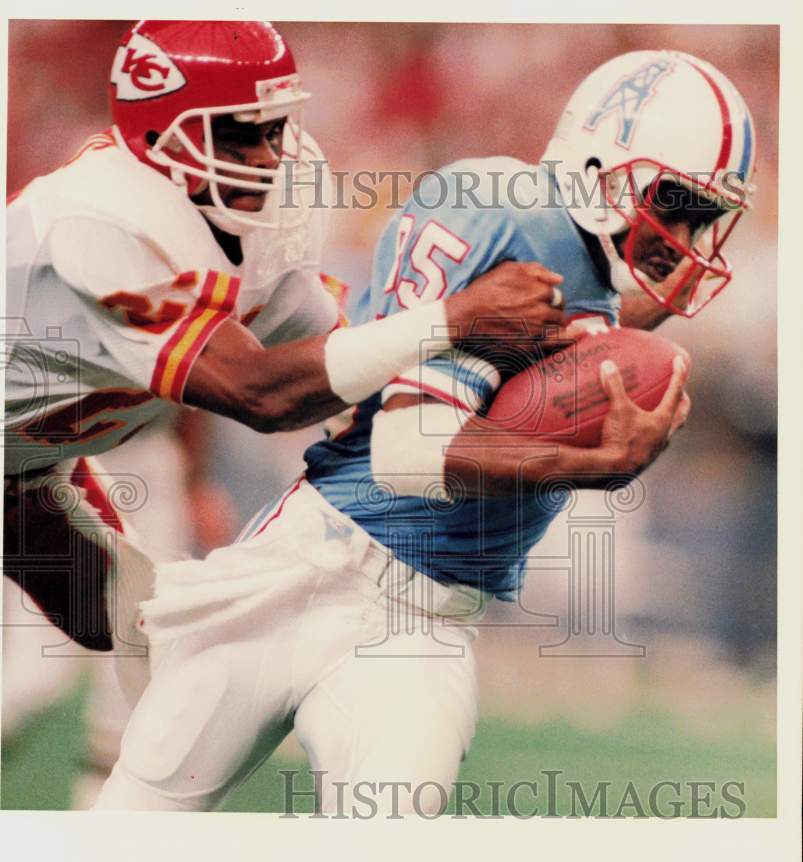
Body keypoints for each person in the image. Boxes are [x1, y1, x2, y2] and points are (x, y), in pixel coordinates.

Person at [93, 49, 755, 814]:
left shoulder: (581, 261)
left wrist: (641, 347)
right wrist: (587, 461)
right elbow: (404, 455)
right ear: (599, 158)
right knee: (133, 830)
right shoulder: (503, 212)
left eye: (701, 214)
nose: (683, 231)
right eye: (673, 200)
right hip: (309, 572)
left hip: (425, 621)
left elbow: (583, 319)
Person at [3, 20, 569, 713]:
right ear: (156, 133)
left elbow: (338, 355)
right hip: (27, 452)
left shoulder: (268, 200)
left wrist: (529, 353)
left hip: (24, 466)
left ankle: (131, 809)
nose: (269, 156)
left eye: (274, 128)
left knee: (142, 626)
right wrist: (454, 318)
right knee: (131, 636)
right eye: (239, 133)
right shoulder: (99, 221)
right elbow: (259, 393)